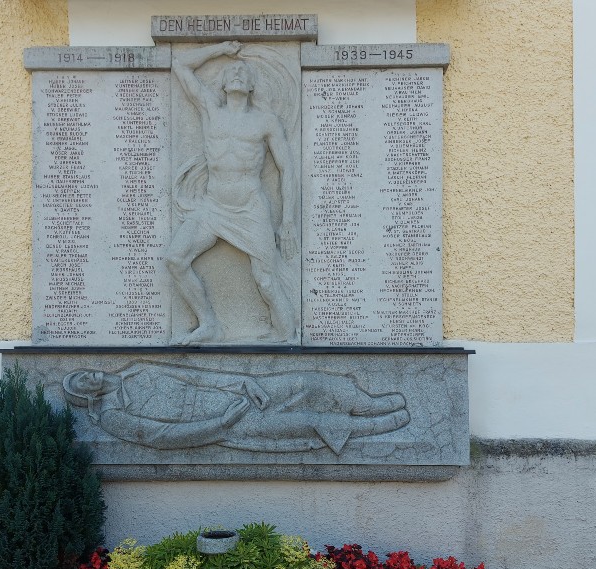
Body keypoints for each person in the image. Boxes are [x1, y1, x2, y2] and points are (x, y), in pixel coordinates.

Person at [166, 41, 299, 345]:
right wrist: (221, 49)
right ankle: (208, 324)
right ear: (223, 84)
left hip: (250, 207)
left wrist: (287, 219)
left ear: (252, 86)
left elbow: (286, 170)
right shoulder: (210, 109)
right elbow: (181, 65)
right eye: (232, 71)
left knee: (265, 279)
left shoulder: (266, 122)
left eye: (244, 72)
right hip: (213, 207)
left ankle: (287, 336)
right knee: (175, 259)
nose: (238, 73)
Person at [62, 363, 410, 454]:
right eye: (80, 384)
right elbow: (163, 437)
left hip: (237, 394)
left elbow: (199, 376)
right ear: (86, 397)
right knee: (307, 422)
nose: (87, 377)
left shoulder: (136, 370)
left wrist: (244, 383)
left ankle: (368, 405)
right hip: (225, 423)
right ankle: (377, 426)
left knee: (309, 381)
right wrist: (220, 425)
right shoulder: (111, 416)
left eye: (83, 374)